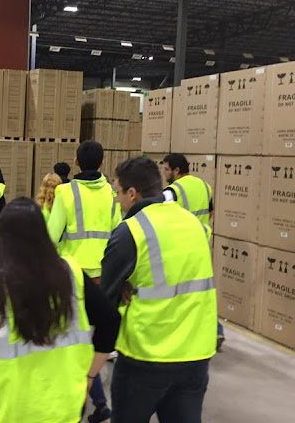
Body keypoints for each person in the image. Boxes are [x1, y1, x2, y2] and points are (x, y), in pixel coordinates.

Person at [0, 198, 117, 423]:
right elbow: (110, 321)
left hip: (0, 412)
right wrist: (89, 376)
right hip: (62, 408)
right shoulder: (71, 275)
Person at [101, 157, 217, 423]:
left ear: (132, 193)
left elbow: (104, 301)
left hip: (146, 358)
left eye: (118, 192)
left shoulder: (130, 231)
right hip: (196, 357)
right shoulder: (194, 225)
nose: (117, 200)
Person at [46, 140, 122, 423]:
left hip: (72, 277)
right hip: (103, 276)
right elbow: (117, 234)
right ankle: (98, 399)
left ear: (76, 162)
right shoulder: (110, 193)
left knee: (69, 340)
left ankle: (76, 401)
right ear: (102, 164)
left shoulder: (65, 192)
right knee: (91, 338)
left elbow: (52, 234)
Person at [162, 153, 224, 349]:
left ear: (176, 170)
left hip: (180, 248)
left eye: (166, 169)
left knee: (179, 293)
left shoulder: (173, 191)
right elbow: (211, 212)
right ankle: (216, 330)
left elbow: (163, 218)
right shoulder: (205, 186)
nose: (164, 173)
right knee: (202, 293)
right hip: (202, 245)